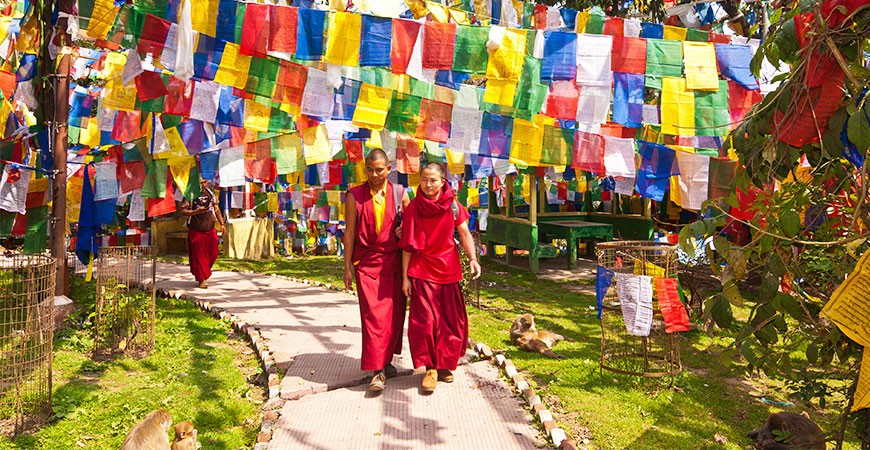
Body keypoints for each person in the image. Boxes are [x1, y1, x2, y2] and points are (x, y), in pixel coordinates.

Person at [399, 162, 481, 393]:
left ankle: (445, 365)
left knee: (449, 322)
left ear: (442, 181)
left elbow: (464, 233)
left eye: (433, 180)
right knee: (424, 322)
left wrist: (473, 258)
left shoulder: (453, 205)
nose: (428, 185)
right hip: (422, 270)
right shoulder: (414, 206)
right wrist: (405, 278)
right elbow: (407, 245)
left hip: (448, 269)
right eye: (424, 180)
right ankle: (430, 368)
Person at [344, 149, 408, 392]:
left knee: (393, 316)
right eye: (369, 170)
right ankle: (377, 370)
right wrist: (347, 267)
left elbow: (409, 225)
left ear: (388, 169)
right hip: (367, 263)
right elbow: (349, 233)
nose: (374, 174)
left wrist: (403, 232)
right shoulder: (355, 196)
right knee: (373, 317)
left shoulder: (400, 193)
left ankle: (387, 360)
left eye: (379, 170)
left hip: (394, 262)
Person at [180, 179, 223, 288]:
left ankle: (203, 271)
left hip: (210, 229)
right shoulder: (190, 195)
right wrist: (196, 212)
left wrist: (222, 223)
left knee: (214, 253)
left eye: (204, 182)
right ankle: (202, 279)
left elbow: (216, 208)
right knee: (200, 256)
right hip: (196, 231)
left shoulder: (211, 193)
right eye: (199, 182)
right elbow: (183, 211)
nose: (202, 184)